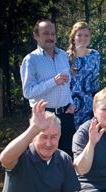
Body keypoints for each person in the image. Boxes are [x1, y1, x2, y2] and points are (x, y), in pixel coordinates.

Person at [21, 20, 76, 157]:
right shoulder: (31, 60)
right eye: (46, 33)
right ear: (36, 35)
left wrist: (71, 102)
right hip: (44, 117)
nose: (50, 37)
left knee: (67, 156)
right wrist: (53, 82)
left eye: (53, 33)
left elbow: (67, 84)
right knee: (44, 156)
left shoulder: (63, 55)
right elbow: (28, 92)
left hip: (66, 115)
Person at [67, 21, 101, 128]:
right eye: (79, 35)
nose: (83, 38)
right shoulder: (65, 57)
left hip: (88, 104)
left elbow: (95, 81)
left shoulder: (95, 55)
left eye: (86, 35)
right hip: (70, 105)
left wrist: (96, 104)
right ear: (73, 37)